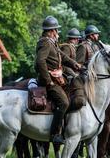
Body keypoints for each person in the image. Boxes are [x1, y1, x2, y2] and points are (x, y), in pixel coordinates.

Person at [35, 16, 81, 144]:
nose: (57, 32)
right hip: (49, 81)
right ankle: (54, 134)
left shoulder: (52, 42)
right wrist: (48, 80)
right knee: (64, 102)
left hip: (57, 79)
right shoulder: (44, 42)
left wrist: (75, 64)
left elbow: (62, 56)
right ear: (51, 31)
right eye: (56, 30)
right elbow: (40, 62)